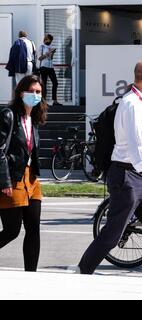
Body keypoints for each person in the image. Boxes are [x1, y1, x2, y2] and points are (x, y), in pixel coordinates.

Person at [77, 59, 142, 278]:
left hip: (141, 178)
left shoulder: (140, 103)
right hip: (128, 176)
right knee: (112, 234)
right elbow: (135, 146)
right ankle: (82, 272)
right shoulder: (131, 104)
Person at [0, 75, 47, 271]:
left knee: (34, 229)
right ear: (21, 93)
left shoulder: (34, 118)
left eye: (38, 92)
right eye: (31, 91)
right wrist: (5, 181)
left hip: (31, 178)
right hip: (13, 177)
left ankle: (32, 274)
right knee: (12, 230)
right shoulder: (8, 114)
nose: (35, 95)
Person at [38, 34, 62, 106]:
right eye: (49, 40)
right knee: (44, 84)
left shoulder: (50, 46)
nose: (51, 41)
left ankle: (55, 101)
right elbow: (40, 58)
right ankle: (43, 101)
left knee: (55, 83)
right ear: (45, 39)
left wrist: (52, 53)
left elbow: (50, 58)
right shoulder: (41, 47)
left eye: (51, 40)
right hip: (43, 67)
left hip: (50, 67)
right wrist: (48, 53)